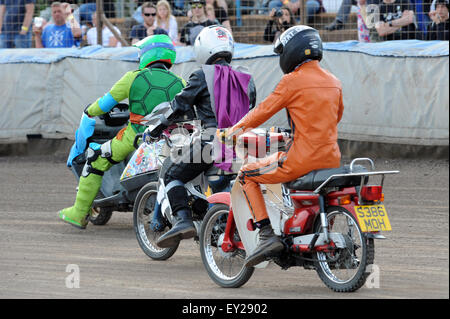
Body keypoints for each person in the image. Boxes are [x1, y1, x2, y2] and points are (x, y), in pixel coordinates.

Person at [227, 25, 344, 268]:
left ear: (292, 51)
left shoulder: (291, 81)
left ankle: (267, 234)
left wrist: (234, 131)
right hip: (332, 159)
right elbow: (335, 117)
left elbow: (262, 111)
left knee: (247, 175)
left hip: (300, 160)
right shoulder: (334, 81)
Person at [59, 35, 186, 229]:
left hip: (136, 139)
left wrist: (88, 111)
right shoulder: (181, 82)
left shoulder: (133, 77)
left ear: (147, 54)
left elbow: (104, 104)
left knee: (94, 158)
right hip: (172, 141)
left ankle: (78, 213)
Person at [146, 26, 257, 248]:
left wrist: (156, 128)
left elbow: (178, 106)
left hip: (212, 142)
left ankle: (183, 220)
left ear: (202, 48)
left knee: (171, 175)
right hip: (245, 144)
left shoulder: (200, 75)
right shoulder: (246, 77)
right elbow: (252, 106)